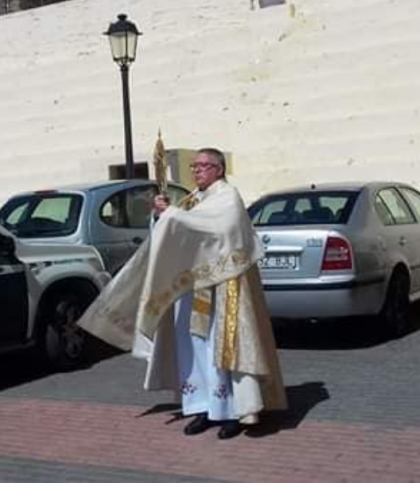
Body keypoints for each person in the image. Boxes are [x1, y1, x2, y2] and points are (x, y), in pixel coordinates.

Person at [79, 148, 286, 439]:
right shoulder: (192, 200)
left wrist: (173, 215)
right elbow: (177, 233)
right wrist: (160, 216)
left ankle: (232, 412)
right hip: (194, 289)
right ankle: (203, 407)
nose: (197, 170)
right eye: (194, 166)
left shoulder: (228, 197)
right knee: (195, 349)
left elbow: (222, 230)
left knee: (222, 348)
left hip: (223, 288)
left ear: (219, 169)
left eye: (203, 165)